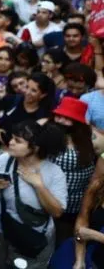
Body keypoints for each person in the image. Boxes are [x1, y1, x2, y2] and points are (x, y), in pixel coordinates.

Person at [0, 119, 67, 268]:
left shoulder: (54, 173)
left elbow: (57, 212)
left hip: (31, 238)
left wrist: (39, 186)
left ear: (34, 148)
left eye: (18, 141)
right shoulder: (4, 159)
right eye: (12, 138)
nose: (10, 142)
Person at [50, 97, 97, 244]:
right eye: (59, 116)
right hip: (70, 205)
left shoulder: (68, 151)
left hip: (63, 206)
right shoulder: (86, 141)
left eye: (67, 118)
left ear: (77, 123)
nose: (60, 121)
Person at [0, 73, 55, 147]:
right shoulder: (12, 99)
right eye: (27, 87)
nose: (27, 92)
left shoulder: (43, 116)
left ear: (43, 95)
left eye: (33, 90)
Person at [71, 157, 104, 268]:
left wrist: (95, 235)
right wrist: (79, 260)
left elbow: (86, 233)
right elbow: (82, 222)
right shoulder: (97, 187)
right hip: (92, 256)